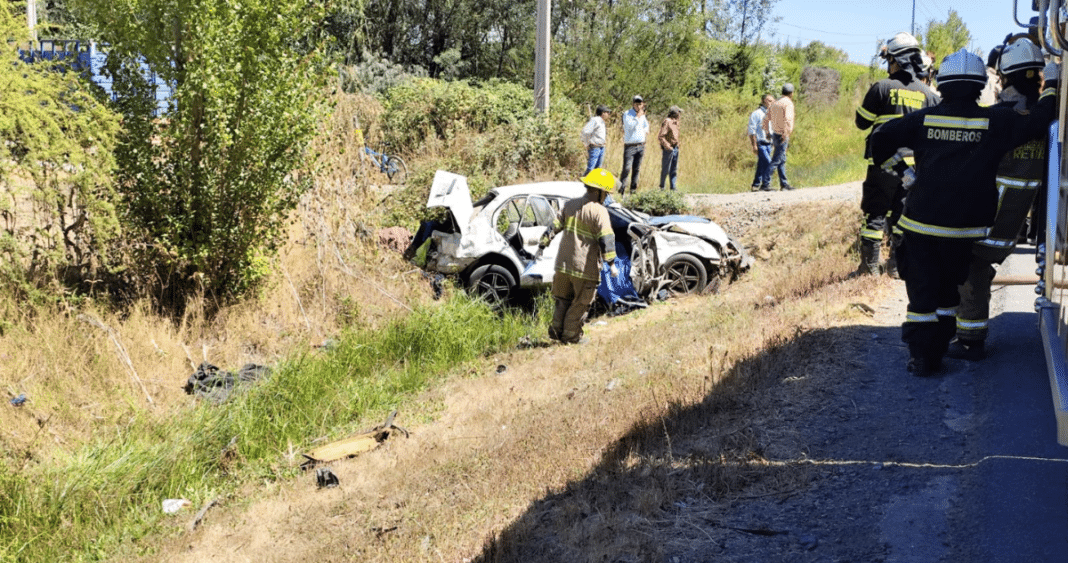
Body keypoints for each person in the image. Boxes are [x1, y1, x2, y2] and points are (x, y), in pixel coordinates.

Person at [870, 48, 1057, 377]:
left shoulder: (923, 120)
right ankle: (941, 346)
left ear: (940, 85)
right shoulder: (994, 122)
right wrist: (1053, 86)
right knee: (946, 297)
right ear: (981, 85)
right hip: (962, 233)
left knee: (923, 299)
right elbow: (1039, 122)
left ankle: (923, 357)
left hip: (920, 226)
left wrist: (905, 174)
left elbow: (880, 138)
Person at [953, 39, 1051, 361]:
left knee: (970, 268)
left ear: (1005, 78)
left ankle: (969, 341)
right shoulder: (1047, 123)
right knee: (977, 268)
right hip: (1015, 222)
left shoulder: (997, 118)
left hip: (989, 219)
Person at [853, 32, 940, 276]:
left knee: (875, 213)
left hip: (882, 165)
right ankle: (897, 267)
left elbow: (862, 122)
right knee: (902, 216)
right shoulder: (928, 95)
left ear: (895, 60)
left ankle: (868, 269)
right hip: (913, 169)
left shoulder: (881, 88)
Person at [546, 168, 620, 344]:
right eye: (606, 193)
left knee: (562, 300)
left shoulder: (570, 205)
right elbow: (606, 239)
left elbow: (553, 226)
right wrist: (611, 263)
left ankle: (556, 332)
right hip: (584, 268)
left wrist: (543, 242)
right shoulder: (599, 211)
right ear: (600, 192)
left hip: (563, 265)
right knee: (580, 303)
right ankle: (571, 337)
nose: (607, 196)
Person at [762, 83, 795, 191]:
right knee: (776, 160)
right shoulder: (788, 104)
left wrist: (767, 132)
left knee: (782, 159)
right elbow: (788, 120)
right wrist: (786, 134)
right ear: (791, 93)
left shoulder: (775, 103)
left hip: (775, 134)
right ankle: (765, 183)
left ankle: (784, 184)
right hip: (782, 135)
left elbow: (766, 119)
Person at [619, 95, 649, 197]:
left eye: (640, 103)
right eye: (636, 103)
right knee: (627, 168)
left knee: (636, 169)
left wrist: (645, 131)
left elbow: (646, 125)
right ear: (633, 104)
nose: (638, 105)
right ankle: (621, 190)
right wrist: (637, 117)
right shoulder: (627, 114)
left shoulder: (643, 115)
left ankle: (633, 192)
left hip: (641, 145)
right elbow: (629, 126)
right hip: (630, 145)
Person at [748, 94, 775, 191]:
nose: (772, 103)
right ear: (764, 101)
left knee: (762, 164)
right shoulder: (756, 114)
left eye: (773, 101)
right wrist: (754, 145)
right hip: (760, 143)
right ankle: (766, 185)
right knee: (769, 163)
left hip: (769, 144)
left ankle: (755, 185)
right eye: (769, 101)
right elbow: (752, 130)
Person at [658, 106, 682, 191]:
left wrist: (677, 145)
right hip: (669, 149)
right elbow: (661, 136)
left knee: (674, 169)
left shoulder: (676, 123)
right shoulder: (667, 122)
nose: (680, 114)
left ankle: (673, 188)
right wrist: (668, 146)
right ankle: (662, 187)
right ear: (675, 113)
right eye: (679, 112)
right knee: (666, 169)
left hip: (675, 148)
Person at [581, 105, 610, 175]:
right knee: (591, 168)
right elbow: (585, 131)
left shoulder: (602, 121)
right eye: (607, 112)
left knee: (598, 169)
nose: (608, 114)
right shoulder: (595, 120)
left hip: (601, 147)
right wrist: (586, 143)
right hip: (595, 147)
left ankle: (593, 185)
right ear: (602, 113)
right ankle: (583, 183)